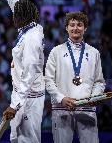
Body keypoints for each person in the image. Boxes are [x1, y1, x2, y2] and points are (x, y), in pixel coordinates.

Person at [0, 0, 45, 143]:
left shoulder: (31, 38)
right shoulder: (28, 28)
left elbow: (30, 72)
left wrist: (15, 105)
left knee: (27, 140)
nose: (12, 16)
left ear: (22, 17)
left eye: (16, 15)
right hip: (21, 93)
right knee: (16, 139)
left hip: (29, 97)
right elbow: (14, 2)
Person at [44, 11, 106, 143]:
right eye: (72, 25)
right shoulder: (56, 51)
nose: (75, 28)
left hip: (87, 110)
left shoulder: (94, 53)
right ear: (66, 28)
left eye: (79, 25)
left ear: (85, 28)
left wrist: (94, 96)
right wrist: (61, 98)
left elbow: (99, 81)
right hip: (62, 109)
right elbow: (48, 80)